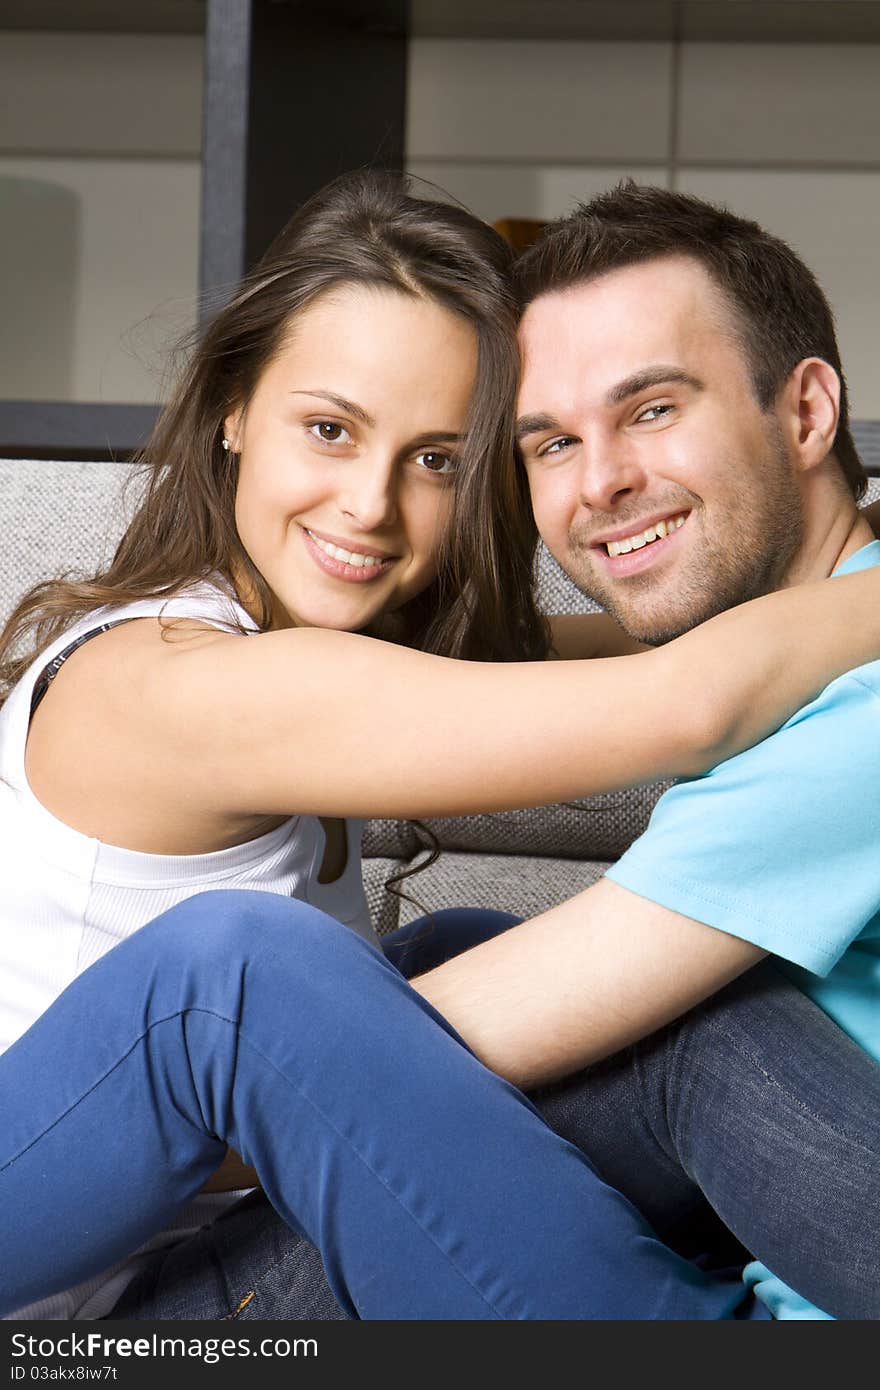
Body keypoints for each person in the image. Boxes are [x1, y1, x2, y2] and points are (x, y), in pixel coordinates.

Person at [1, 173, 879, 1322]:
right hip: (93, 1313)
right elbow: (678, 697)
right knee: (235, 973)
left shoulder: (333, 657)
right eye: (329, 428)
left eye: (437, 460)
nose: (368, 502)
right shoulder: (180, 684)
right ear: (231, 411)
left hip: (227, 1235)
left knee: (460, 947)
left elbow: (608, 652)